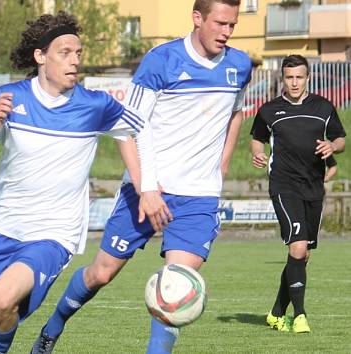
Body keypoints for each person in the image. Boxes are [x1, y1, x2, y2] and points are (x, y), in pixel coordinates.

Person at [32, 1, 252, 353]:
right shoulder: (161, 61)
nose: (226, 33)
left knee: (175, 288)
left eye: (232, 25)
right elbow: (128, 127)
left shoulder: (240, 65)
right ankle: (52, 328)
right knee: (100, 274)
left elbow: (236, 112)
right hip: (147, 190)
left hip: (198, 197)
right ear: (197, 18)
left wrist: (222, 164)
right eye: (220, 23)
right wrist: (146, 187)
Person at [0, 11, 144, 354]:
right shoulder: (8, 97)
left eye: (78, 54)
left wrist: (148, 187)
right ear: (40, 56)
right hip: (4, 229)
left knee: (2, 298)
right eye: (65, 52)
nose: (75, 60)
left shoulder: (95, 105)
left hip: (54, 233)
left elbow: (138, 132)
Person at [250, 54, 346, 333]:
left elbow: (340, 138)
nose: (294, 83)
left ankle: (277, 312)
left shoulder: (323, 107)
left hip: (313, 186)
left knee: (302, 255)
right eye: (289, 77)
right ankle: (300, 315)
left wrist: (332, 146)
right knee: (298, 246)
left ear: (307, 78)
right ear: (283, 78)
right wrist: (258, 153)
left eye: (299, 77)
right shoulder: (269, 110)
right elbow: (256, 138)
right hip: (283, 185)